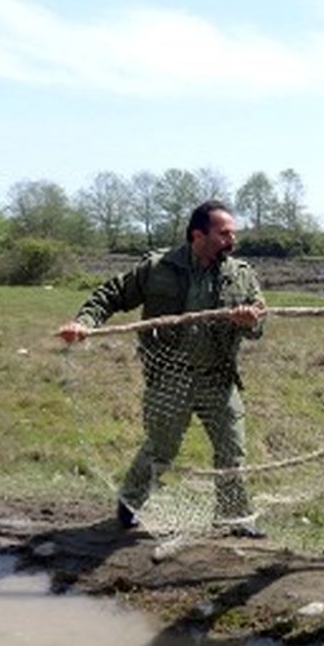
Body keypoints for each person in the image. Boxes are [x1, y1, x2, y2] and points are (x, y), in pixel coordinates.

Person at [58, 200, 267, 538]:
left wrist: (248, 321)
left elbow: (258, 327)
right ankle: (130, 502)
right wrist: (83, 323)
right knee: (162, 448)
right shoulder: (157, 268)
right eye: (225, 233)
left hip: (218, 378)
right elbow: (111, 295)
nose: (232, 240)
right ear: (198, 235)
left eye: (233, 234)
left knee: (232, 450)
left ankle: (234, 519)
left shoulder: (240, 274)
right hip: (169, 377)